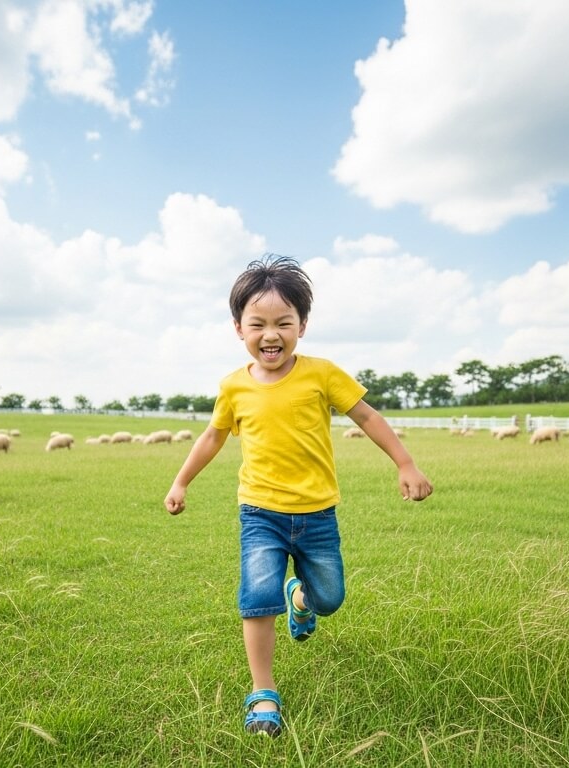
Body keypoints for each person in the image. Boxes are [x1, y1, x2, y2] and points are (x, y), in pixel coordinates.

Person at [164, 254, 433, 738]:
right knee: (257, 598)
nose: (271, 334)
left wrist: (406, 462)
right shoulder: (233, 387)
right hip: (260, 513)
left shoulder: (322, 374)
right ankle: (263, 693)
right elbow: (212, 437)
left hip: (317, 514)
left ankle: (303, 599)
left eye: (284, 322)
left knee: (330, 598)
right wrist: (181, 481)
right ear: (238, 328)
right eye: (258, 324)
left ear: (302, 326)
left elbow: (367, 416)